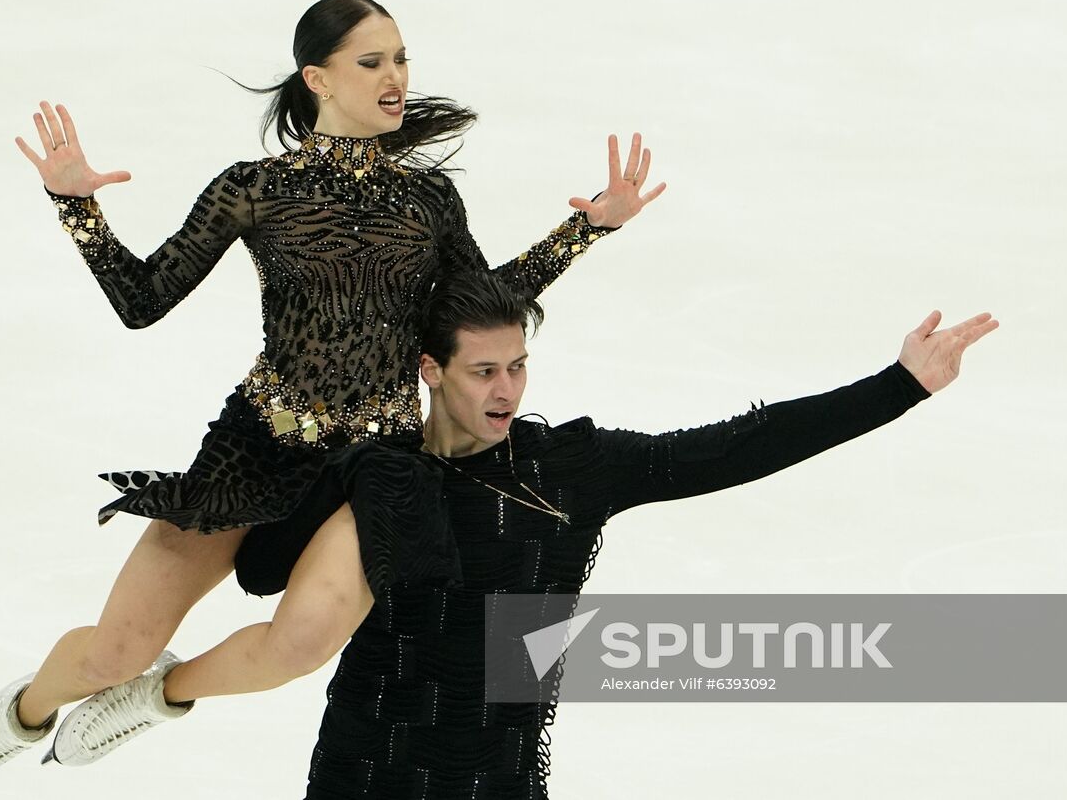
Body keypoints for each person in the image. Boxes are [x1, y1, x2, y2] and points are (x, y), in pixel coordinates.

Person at [0, 0, 665, 790]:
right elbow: (142, 300)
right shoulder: (255, 188)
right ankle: (26, 712)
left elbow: (481, 306)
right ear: (317, 77)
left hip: (378, 463)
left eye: (401, 59)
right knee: (115, 649)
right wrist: (77, 205)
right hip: (257, 447)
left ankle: (160, 696)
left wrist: (590, 227)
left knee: (303, 641)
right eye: (372, 61)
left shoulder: (429, 201)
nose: (397, 78)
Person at [218, 271, 991, 797]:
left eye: (517, 366)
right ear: (430, 368)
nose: (508, 390)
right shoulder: (376, 473)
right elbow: (259, 567)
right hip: (365, 769)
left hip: (501, 777)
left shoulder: (569, 471)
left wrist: (898, 387)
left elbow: (735, 447)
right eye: (484, 370)